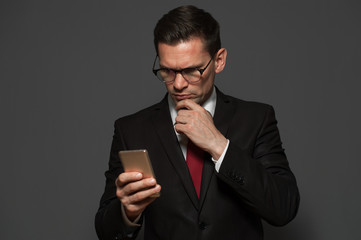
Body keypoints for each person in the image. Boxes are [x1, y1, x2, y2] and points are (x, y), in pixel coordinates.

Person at [95, 5, 300, 240]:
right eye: (167, 71)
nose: (179, 84)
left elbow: (284, 208)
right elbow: (105, 229)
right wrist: (127, 213)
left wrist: (220, 146)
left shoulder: (256, 119)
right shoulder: (131, 130)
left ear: (219, 60)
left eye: (192, 70)